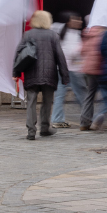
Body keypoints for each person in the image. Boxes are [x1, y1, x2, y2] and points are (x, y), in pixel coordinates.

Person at [13, 9, 68, 141]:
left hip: (31, 73)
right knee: (47, 102)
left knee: (31, 102)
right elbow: (60, 56)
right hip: (49, 74)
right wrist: (64, 75)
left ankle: (31, 131)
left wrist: (16, 72)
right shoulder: (53, 35)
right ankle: (45, 128)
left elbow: (19, 54)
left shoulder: (28, 34)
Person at [51, 12, 87, 128]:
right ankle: (87, 118)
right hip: (73, 70)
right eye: (76, 19)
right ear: (68, 21)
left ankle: (57, 119)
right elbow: (73, 52)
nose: (80, 22)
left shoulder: (57, 30)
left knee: (59, 95)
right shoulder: (72, 33)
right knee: (82, 94)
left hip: (60, 68)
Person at [79, 23, 104, 130]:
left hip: (87, 69)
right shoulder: (102, 34)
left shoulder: (87, 33)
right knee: (106, 95)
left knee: (89, 95)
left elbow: (81, 51)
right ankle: (99, 116)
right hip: (99, 69)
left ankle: (84, 122)